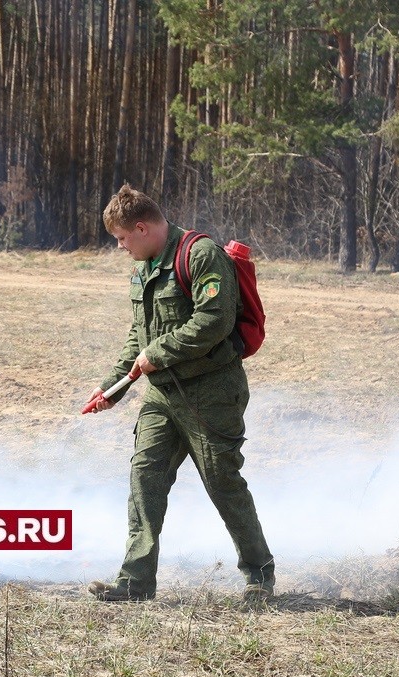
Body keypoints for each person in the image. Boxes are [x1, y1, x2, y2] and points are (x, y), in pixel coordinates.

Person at [86, 184, 275, 603]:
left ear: (141, 227)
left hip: (211, 394)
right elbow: (140, 334)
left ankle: (259, 575)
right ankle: (135, 582)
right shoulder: (143, 267)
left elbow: (215, 320)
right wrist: (112, 387)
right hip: (161, 396)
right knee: (145, 480)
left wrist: (159, 353)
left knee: (222, 483)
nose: (120, 247)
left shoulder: (200, 254)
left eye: (121, 238)